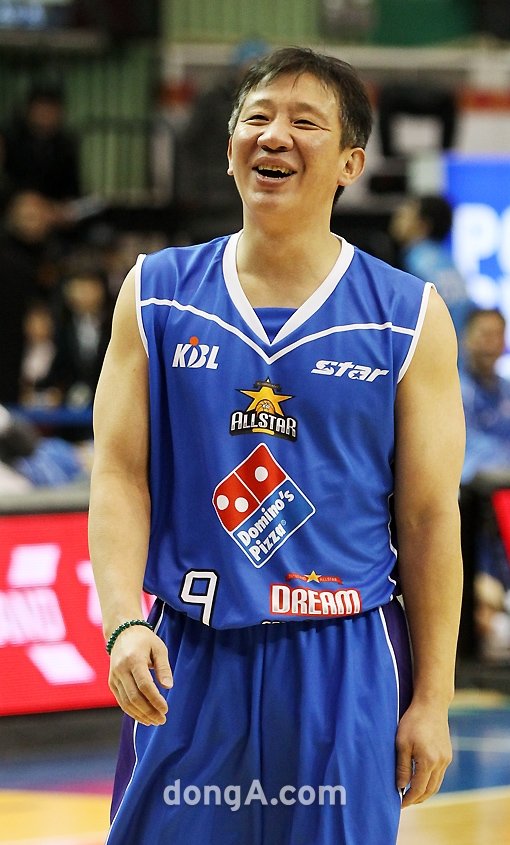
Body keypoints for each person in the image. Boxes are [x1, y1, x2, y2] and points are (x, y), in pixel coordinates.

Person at [89, 47, 465, 845]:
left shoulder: (407, 316)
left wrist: (433, 698)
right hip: (189, 649)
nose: (273, 136)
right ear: (230, 149)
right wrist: (122, 622)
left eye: (304, 122)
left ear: (350, 163)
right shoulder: (155, 293)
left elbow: (431, 518)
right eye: (256, 118)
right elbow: (120, 475)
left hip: (345, 653)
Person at [459, 308, 510, 659]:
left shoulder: (506, 391)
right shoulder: (454, 389)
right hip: (469, 509)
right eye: (483, 335)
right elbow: (468, 459)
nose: (490, 344)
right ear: (467, 339)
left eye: (497, 335)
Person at [389, 194, 473, 336]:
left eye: (406, 213)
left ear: (422, 226)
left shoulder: (413, 261)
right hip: (456, 344)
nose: (397, 217)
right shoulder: (448, 261)